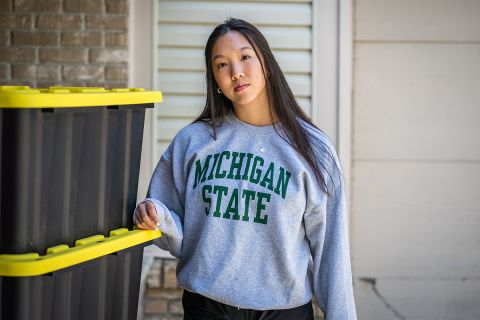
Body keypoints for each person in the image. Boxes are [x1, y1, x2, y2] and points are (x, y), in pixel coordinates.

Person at [134, 18, 357, 320]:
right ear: (214, 79)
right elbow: (171, 227)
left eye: (244, 57)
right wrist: (154, 215)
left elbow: (332, 250)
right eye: (222, 65)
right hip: (207, 307)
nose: (236, 72)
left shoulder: (313, 149)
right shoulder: (193, 141)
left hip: (283, 312)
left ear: (266, 62)